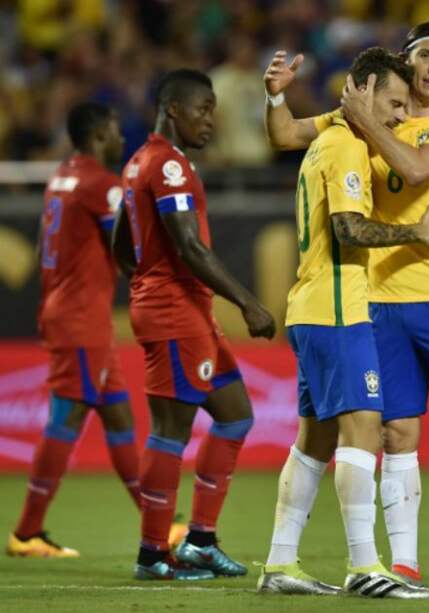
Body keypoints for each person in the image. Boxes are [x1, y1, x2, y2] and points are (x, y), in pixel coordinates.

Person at [262, 21, 429, 597]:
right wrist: (277, 95)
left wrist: (364, 120)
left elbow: (416, 172)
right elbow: (286, 135)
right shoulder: (364, 117)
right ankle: (399, 565)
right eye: (425, 56)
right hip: (376, 297)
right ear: (406, 64)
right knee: (393, 432)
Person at [258, 46, 429, 599]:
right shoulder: (348, 145)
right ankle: (364, 565)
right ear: (362, 90)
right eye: (393, 103)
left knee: (315, 440)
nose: (399, 116)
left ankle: (280, 563)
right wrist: (416, 234)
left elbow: (282, 135)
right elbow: (350, 228)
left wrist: (276, 95)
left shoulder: (332, 133)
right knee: (364, 428)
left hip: (311, 305)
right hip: (338, 307)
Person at [112, 69, 276, 581]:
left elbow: (121, 240)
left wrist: (140, 280)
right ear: (173, 109)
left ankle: (201, 541)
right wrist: (248, 302)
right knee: (170, 431)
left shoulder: (142, 162)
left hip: (183, 309)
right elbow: (189, 246)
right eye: (203, 109)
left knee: (234, 415)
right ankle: (152, 554)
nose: (212, 118)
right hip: (175, 311)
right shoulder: (168, 167)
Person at [7, 102, 151, 558]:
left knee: (119, 417)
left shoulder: (61, 176)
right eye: (115, 129)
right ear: (98, 133)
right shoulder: (99, 184)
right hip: (80, 318)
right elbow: (130, 241)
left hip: (70, 309)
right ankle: (27, 532)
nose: (121, 139)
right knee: (66, 417)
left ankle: (158, 522)